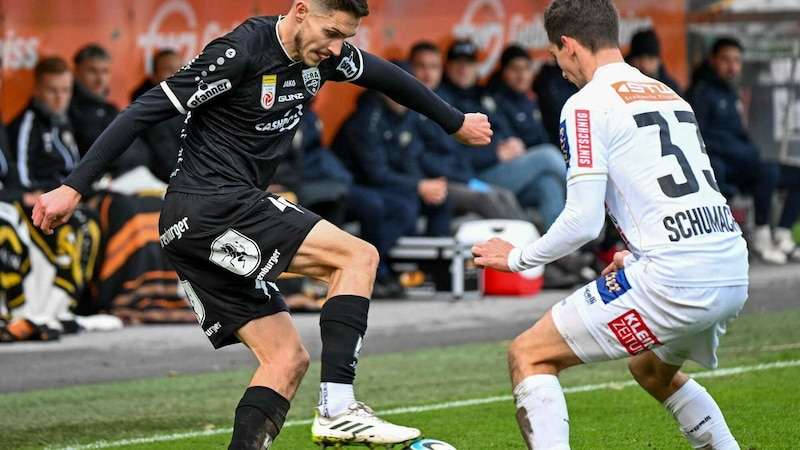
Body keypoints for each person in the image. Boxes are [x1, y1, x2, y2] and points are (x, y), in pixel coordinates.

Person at [32, 1, 492, 448]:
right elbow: (143, 111)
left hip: (200, 223)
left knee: (286, 359)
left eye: (346, 38)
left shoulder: (325, 56)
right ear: (300, 11)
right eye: (331, 33)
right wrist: (73, 187)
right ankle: (338, 408)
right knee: (358, 257)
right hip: (212, 205)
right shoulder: (241, 51)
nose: (336, 49)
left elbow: (388, 77)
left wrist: (453, 122)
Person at [471, 1, 748, 448]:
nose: (560, 70)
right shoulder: (668, 93)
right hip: (730, 267)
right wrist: (638, 254)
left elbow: (582, 221)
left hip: (675, 279)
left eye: (556, 56)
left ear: (569, 45)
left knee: (529, 353)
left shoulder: (585, 104)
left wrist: (518, 257)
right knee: (651, 370)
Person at [6, 56, 103, 339]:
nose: (60, 97)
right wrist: (33, 195)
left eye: (65, 90)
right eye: (53, 90)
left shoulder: (64, 123)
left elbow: (74, 169)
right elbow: (22, 178)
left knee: (92, 224)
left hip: (63, 203)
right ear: (37, 89)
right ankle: (43, 314)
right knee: (72, 231)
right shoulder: (27, 122)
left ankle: (60, 310)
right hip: (39, 206)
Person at [686, 36, 800, 264]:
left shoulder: (730, 92)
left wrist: (749, 151)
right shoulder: (701, 93)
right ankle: (761, 233)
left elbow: (738, 133)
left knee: (789, 173)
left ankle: (782, 235)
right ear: (713, 61)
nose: (732, 67)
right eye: (726, 60)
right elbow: (699, 137)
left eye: (737, 61)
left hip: (742, 163)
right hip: (723, 168)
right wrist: (742, 153)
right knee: (766, 171)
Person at [438, 39, 567, 232]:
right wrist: (495, 154)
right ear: (447, 66)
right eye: (458, 63)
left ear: (477, 67)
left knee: (546, 185)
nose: (464, 69)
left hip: (504, 170)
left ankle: (561, 252)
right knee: (547, 155)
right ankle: (590, 194)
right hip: (475, 178)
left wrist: (511, 145)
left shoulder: (482, 95)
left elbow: (503, 132)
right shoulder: (440, 100)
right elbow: (451, 155)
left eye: (469, 63)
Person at [409, 41, 528, 222]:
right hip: (436, 182)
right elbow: (422, 158)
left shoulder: (441, 103)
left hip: (461, 177)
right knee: (487, 199)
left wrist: (467, 178)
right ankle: (522, 248)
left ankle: (528, 245)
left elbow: (456, 152)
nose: (428, 74)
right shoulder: (412, 107)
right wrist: (466, 177)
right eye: (422, 67)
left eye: (434, 67)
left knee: (505, 195)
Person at [130, 48, 186, 184]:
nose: (177, 75)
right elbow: (167, 163)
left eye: (181, 69)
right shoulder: (150, 110)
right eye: (168, 70)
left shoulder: (188, 103)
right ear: (153, 76)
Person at [625, 28, 683, 96]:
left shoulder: (671, 89)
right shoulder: (621, 85)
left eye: (650, 59)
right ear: (631, 60)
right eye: (639, 59)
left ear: (658, 61)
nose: (644, 65)